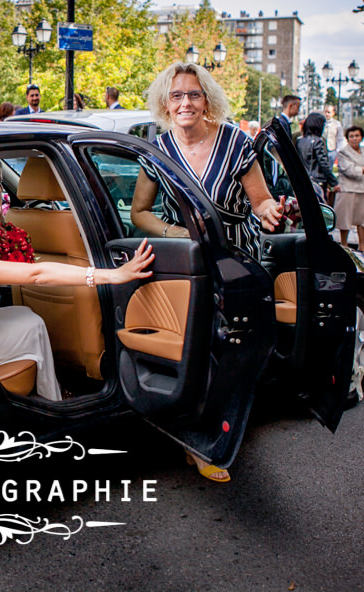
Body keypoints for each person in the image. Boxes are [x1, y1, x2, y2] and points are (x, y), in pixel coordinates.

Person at [130, 62, 283, 483]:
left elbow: (261, 202)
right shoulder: (157, 150)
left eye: (193, 94)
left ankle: (214, 434)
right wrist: (175, 232)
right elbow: (139, 213)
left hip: (234, 259)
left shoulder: (235, 142)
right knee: (196, 350)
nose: (185, 102)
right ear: (165, 102)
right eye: (177, 95)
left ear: (207, 100)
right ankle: (199, 437)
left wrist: (272, 211)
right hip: (185, 264)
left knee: (232, 351)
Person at [0, 165, 154, 401]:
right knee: (31, 323)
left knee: (25, 317)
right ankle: (53, 399)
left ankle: (51, 394)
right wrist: (111, 275)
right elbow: (35, 274)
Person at [335, 125, 364, 253]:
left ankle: (362, 245)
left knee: (363, 219)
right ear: (347, 138)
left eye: (357, 136)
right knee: (345, 220)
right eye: (351, 136)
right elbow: (349, 170)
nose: (354, 139)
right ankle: (344, 244)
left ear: (361, 137)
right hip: (348, 188)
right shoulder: (343, 152)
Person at [297, 112, 338, 198]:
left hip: (304, 180)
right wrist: (334, 182)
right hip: (317, 181)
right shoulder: (318, 141)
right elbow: (323, 163)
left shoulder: (299, 141)